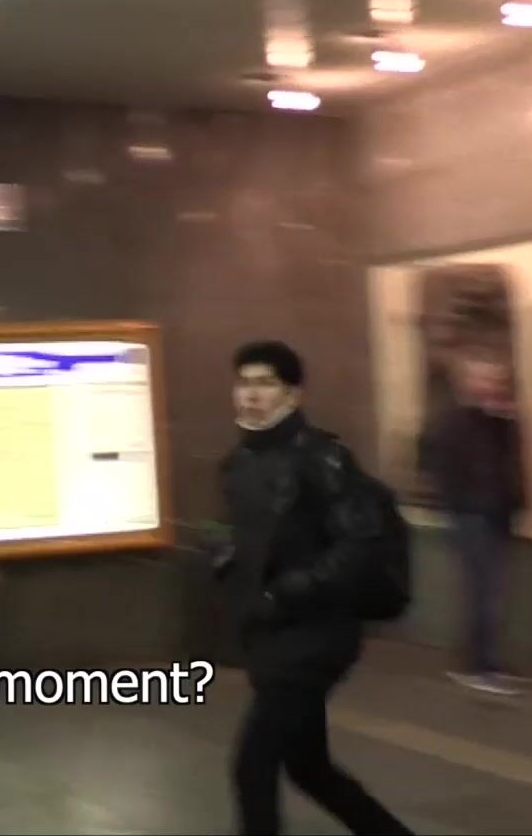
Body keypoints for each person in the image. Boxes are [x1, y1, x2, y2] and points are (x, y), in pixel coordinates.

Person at [216, 340, 411, 836]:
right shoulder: (238, 463)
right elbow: (256, 537)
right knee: (308, 767)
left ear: (293, 395)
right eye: (244, 383)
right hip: (270, 631)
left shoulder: (324, 459)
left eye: (266, 383)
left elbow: (359, 545)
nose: (251, 394)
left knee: (252, 766)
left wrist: (289, 590)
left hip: (316, 634)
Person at [419, 350, 528, 696]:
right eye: (485, 378)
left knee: (492, 593)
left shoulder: (497, 421)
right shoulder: (452, 422)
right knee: (481, 594)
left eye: (497, 378)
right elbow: (440, 467)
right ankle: (477, 666)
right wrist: (462, 501)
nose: (493, 385)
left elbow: (506, 464)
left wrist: (504, 422)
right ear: (467, 382)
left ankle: (487, 662)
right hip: (471, 516)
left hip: (495, 515)